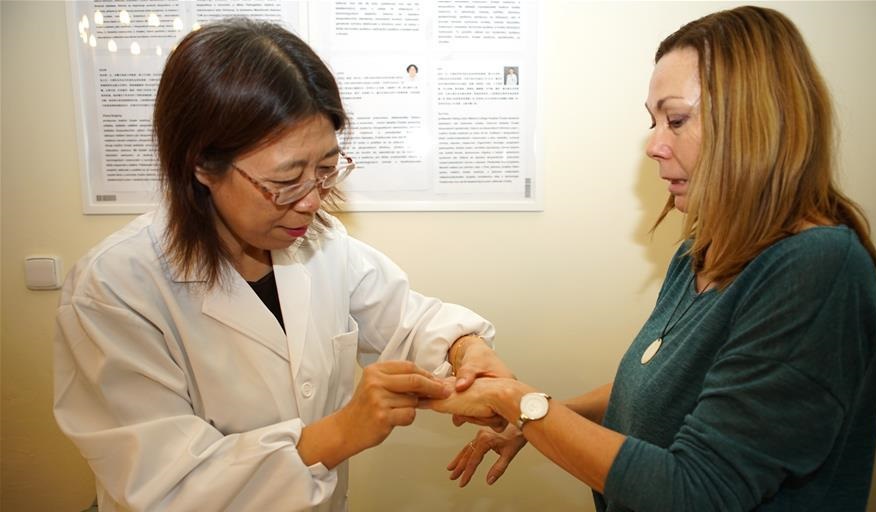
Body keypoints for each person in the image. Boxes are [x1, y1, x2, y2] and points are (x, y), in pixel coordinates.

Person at [425, 6, 876, 511]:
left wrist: (517, 401)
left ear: (756, 122)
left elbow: (695, 493)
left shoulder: (818, 269)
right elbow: (660, 390)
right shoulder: (699, 253)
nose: (654, 145)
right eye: (653, 121)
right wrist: (541, 418)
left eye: (676, 120)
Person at [53, 19, 511, 511]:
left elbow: (407, 319)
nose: (312, 202)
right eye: (287, 179)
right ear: (202, 164)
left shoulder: (321, 244)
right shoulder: (114, 288)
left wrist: (465, 350)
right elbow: (165, 487)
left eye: (327, 169)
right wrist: (343, 431)